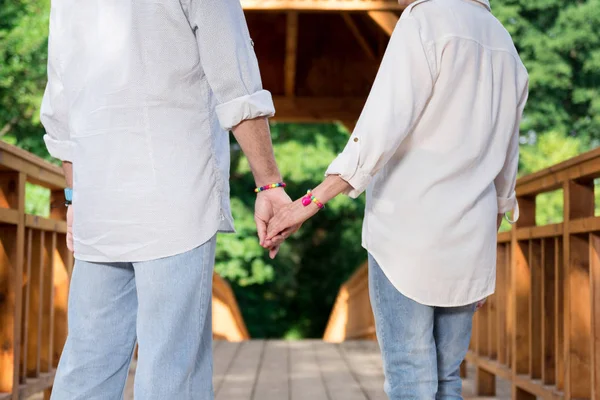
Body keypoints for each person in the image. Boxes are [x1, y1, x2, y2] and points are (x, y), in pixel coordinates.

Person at [265, 0, 528, 398]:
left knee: (411, 379)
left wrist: (308, 204)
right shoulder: (504, 43)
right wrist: (482, 257)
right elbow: (506, 170)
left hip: (407, 238)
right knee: (446, 379)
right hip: (469, 244)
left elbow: (378, 130)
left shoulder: (424, 20)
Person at [40, 0, 291, 398]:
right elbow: (235, 81)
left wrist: (74, 199)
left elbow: (61, 107)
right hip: (175, 199)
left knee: (88, 365)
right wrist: (269, 184)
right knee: (172, 372)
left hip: (101, 204)